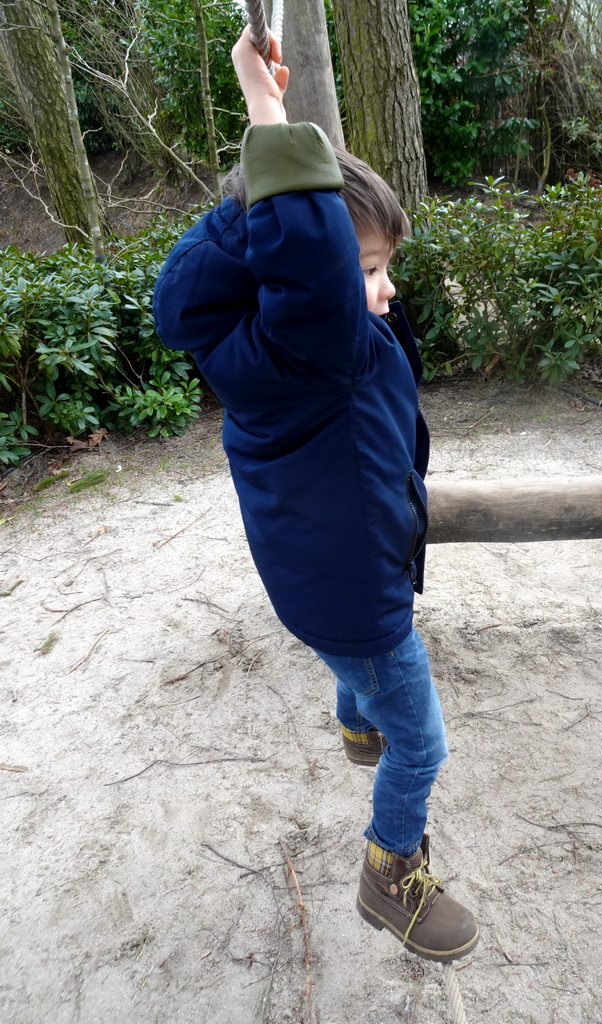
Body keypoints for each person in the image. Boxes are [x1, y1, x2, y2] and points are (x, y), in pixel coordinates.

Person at [152, 27, 479, 963]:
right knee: (422, 744)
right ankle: (390, 874)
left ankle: (351, 712)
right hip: (353, 593)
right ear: (308, 284)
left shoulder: (263, 347)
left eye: (384, 268)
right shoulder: (310, 344)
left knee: (364, 680)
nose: (379, 290)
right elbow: (307, 270)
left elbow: (248, 270)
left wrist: (268, 184)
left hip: (323, 572)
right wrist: (267, 111)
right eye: (364, 270)